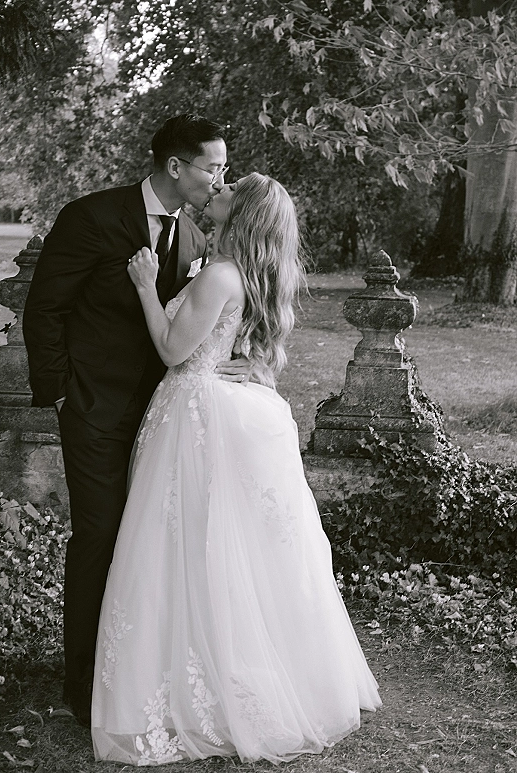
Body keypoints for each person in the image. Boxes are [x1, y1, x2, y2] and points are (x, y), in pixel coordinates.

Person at [91, 173, 382, 765]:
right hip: (204, 407)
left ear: (241, 211)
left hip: (192, 412)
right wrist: (255, 366)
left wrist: (146, 286)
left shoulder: (221, 275)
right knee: (207, 544)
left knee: (182, 544)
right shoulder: (236, 270)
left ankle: (198, 680)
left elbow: (173, 350)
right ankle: (216, 667)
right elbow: (237, 341)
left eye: (230, 187)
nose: (218, 187)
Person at [23, 114, 250, 727]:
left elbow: (203, 323)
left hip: (165, 419)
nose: (220, 179)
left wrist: (238, 365)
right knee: (99, 535)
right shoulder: (92, 217)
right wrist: (62, 394)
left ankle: (135, 672)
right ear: (176, 166)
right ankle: (82, 683)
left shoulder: (198, 239)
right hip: (94, 409)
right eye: (213, 168)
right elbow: (45, 309)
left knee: (149, 541)